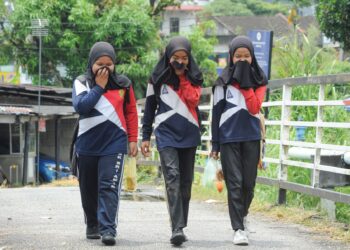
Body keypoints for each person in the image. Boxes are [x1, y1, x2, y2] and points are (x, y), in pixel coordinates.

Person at [72, 41, 138, 246]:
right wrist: (99, 87)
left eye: (109, 64)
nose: (104, 68)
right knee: (88, 187)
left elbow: (131, 112)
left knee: (108, 186)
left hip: (114, 144)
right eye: (99, 63)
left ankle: (108, 228)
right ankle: (92, 223)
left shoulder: (124, 84)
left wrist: (133, 139)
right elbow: (81, 107)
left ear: (114, 64)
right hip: (87, 144)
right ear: (91, 63)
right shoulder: (81, 82)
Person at [141, 36, 203, 246]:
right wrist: (145, 136)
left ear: (189, 59)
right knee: (173, 179)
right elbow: (149, 108)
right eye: (176, 57)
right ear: (168, 57)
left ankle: (181, 224)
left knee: (185, 183)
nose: (180, 61)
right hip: (166, 134)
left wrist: (183, 76)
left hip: (189, 134)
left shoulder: (195, 76)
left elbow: (193, 100)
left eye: (184, 58)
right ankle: (176, 228)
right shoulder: (155, 79)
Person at [211, 36, 268, 246]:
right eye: (238, 57)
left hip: (252, 138)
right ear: (231, 57)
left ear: (252, 57)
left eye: (246, 56)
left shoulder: (260, 81)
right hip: (228, 138)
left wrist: (245, 83)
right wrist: (215, 144)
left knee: (248, 184)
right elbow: (216, 115)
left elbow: (254, 108)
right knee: (234, 184)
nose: (242, 60)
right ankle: (238, 229)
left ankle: (243, 215)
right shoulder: (222, 83)